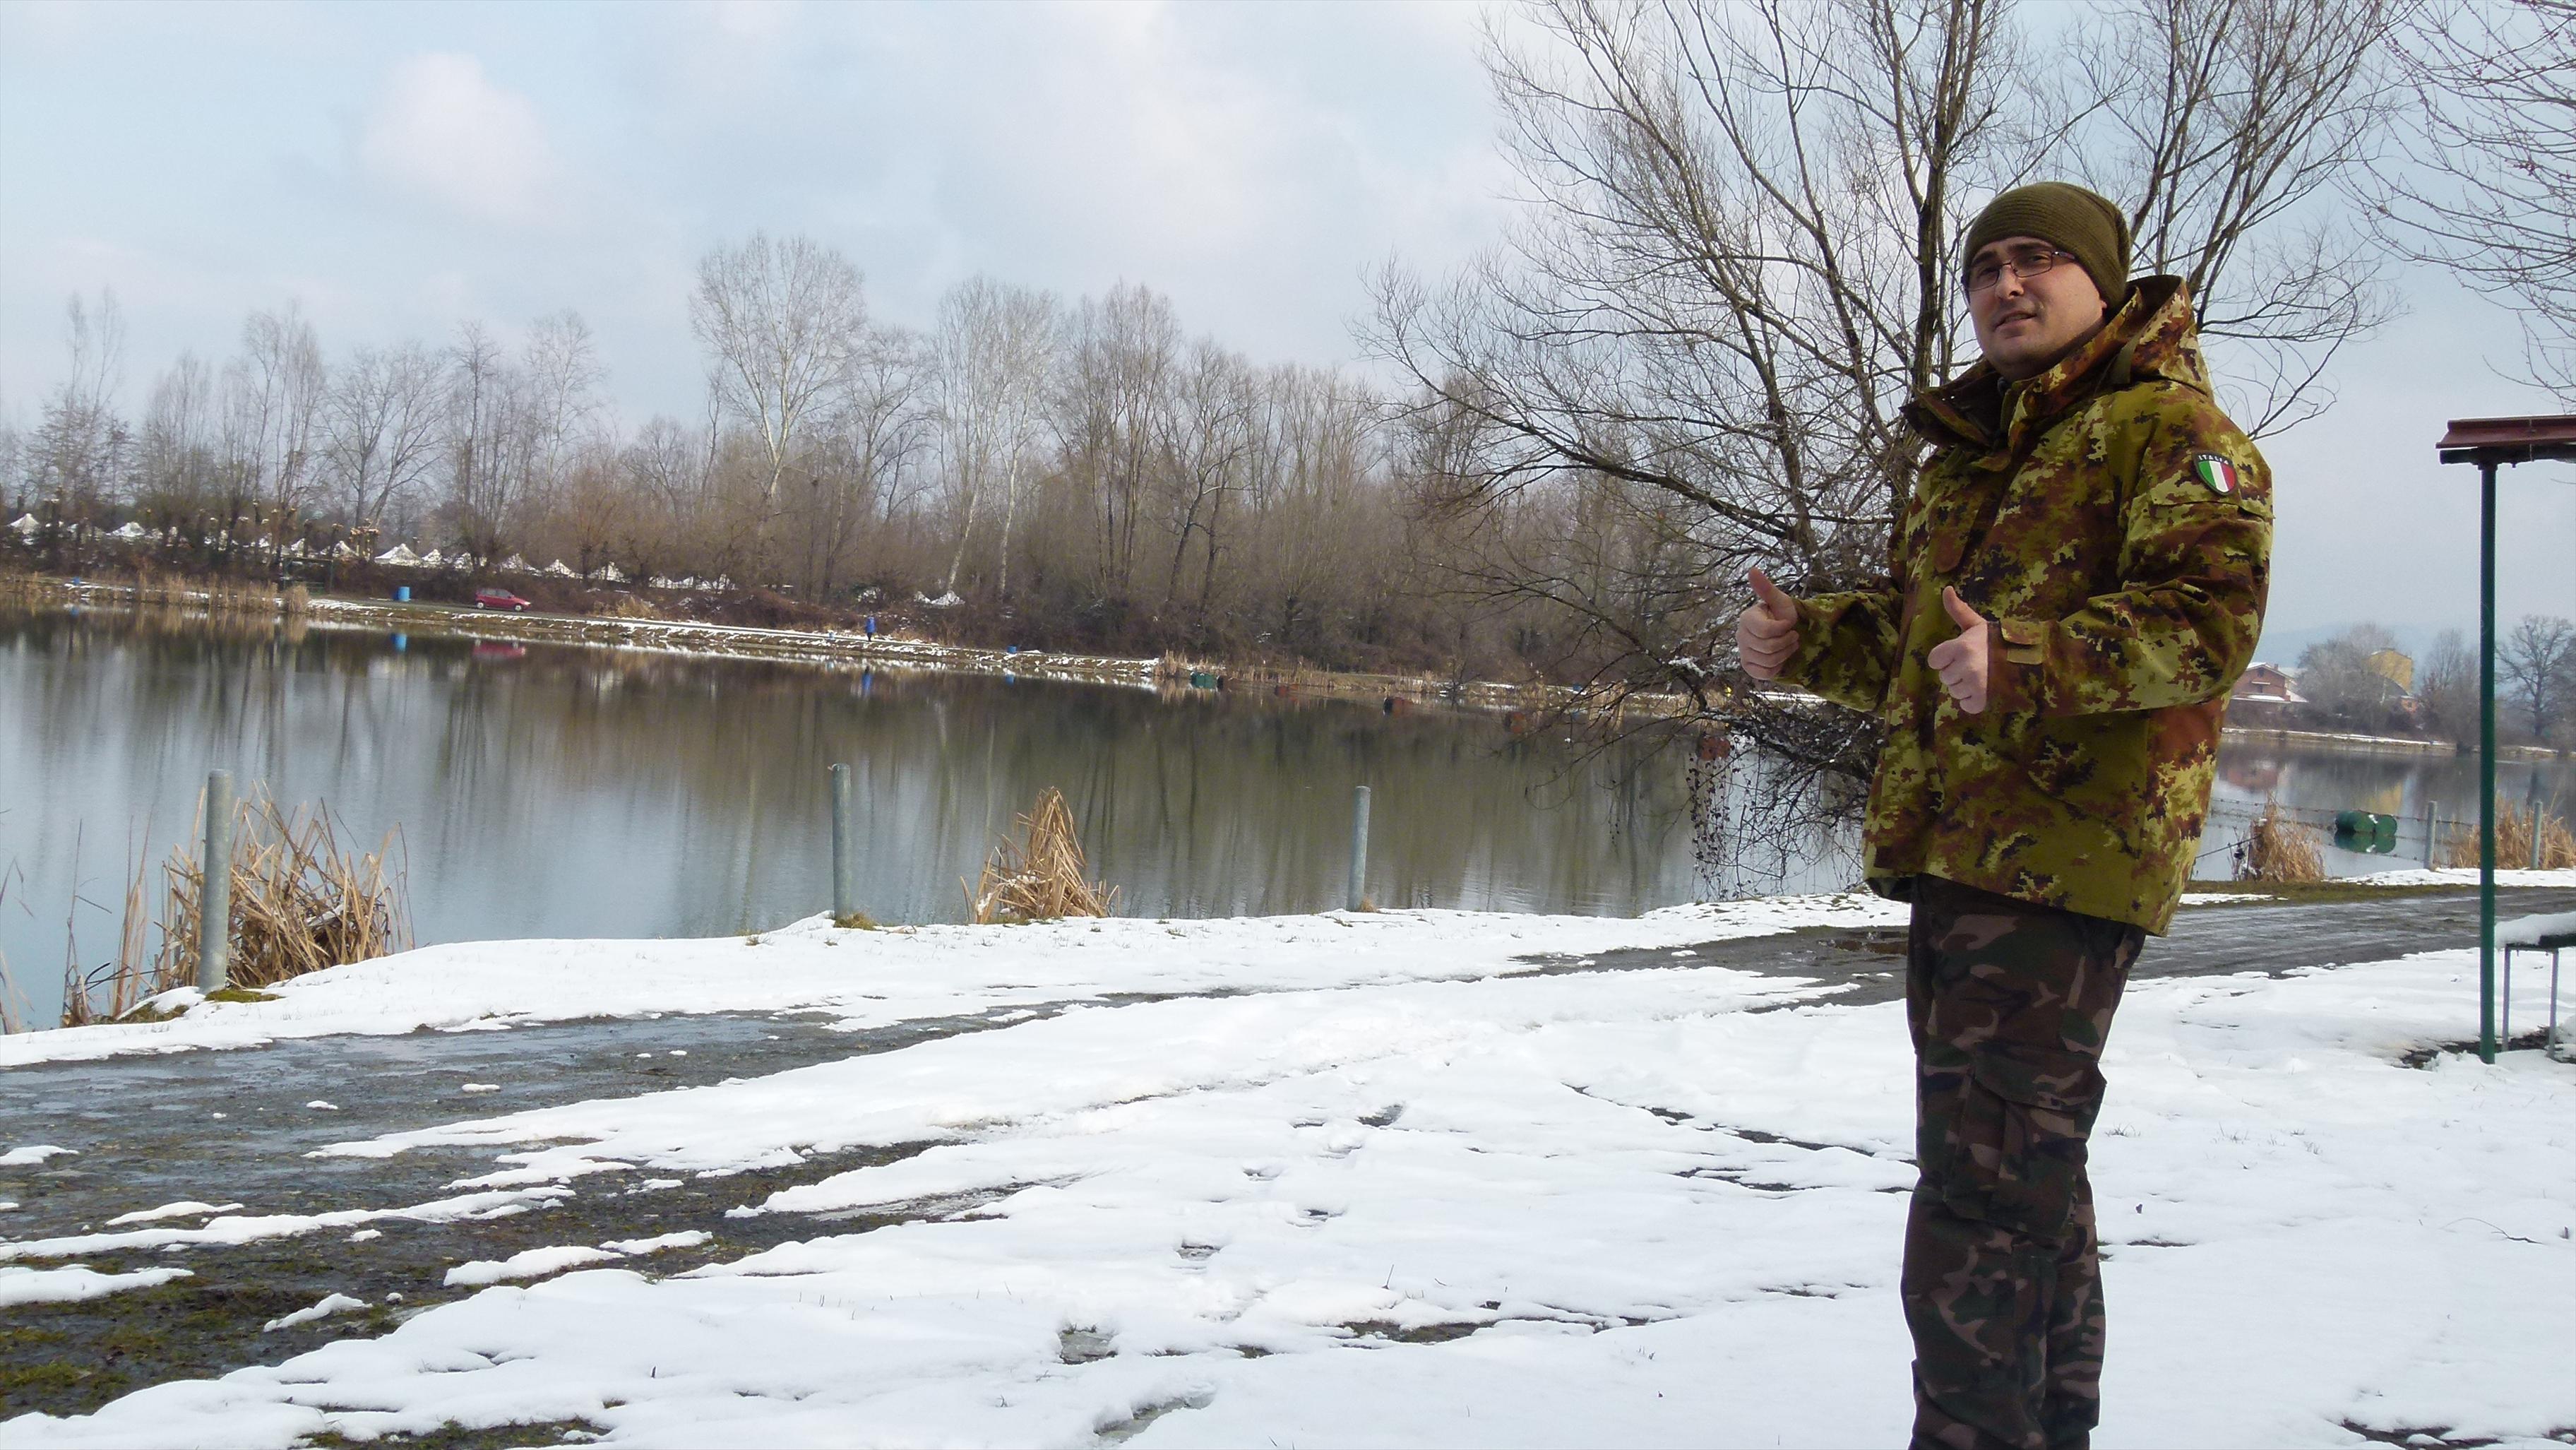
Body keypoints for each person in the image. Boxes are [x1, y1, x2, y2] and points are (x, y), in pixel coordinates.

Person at [1735, 182, 2271, 1449]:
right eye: (1986, 269)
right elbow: (1937, 653)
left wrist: (2031, 659)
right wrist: (1808, 634)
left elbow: (2206, 625)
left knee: (1978, 1199)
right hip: (1962, 860)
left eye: (2037, 262)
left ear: (2104, 284)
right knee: (2029, 1187)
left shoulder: (2174, 431)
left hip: (2065, 868)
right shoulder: (1974, 453)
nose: (2006, 287)